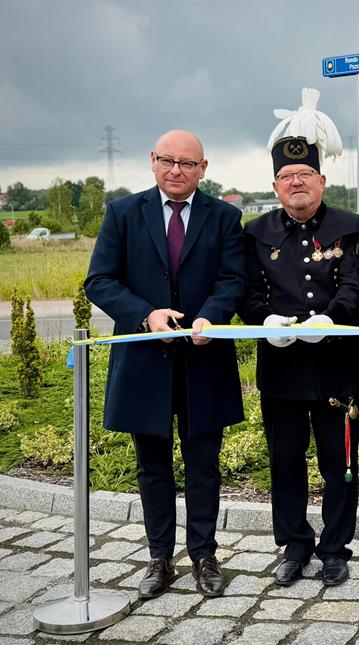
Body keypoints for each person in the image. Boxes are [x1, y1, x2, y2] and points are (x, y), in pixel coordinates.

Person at [85, 130, 245, 599]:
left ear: (203, 168)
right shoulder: (121, 213)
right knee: (152, 466)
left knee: (204, 465)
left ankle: (204, 556)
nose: (177, 171)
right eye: (169, 161)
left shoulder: (225, 217)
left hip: (204, 359)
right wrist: (145, 314)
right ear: (153, 160)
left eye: (188, 163)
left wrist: (211, 316)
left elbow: (233, 280)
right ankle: (159, 558)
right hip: (144, 363)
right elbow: (99, 280)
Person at [242, 91, 359, 587]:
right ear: (276, 185)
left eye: (306, 174)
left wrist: (332, 319)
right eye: (287, 176)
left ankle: (335, 547)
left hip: (338, 368)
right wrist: (264, 320)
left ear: (322, 181)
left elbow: (355, 284)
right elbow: (247, 292)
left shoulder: (351, 229)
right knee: (286, 463)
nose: (297, 182)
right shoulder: (256, 233)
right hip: (281, 370)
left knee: (341, 465)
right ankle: (294, 545)